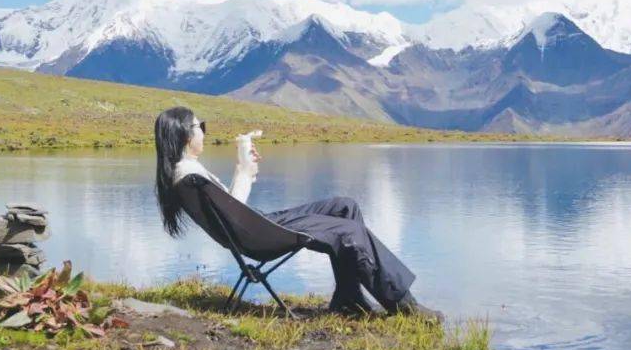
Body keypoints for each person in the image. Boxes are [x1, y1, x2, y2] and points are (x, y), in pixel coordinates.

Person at [153, 106, 442, 321]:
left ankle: (348, 296)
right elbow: (234, 211)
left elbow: (229, 211)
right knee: (350, 231)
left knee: (345, 207)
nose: (203, 130)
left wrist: (244, 170)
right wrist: (245, 170)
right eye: (199, 125)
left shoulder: (185, 172)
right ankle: (403, 304)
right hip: (259, 235)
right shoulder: (189, 175)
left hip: (254, 228)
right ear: (184, 134)